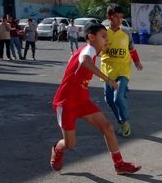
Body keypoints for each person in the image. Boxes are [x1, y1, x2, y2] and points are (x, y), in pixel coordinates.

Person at [50, 22, 141, 175]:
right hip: (66, 102)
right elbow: (84, 61)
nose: (107, 40)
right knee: (70, 144)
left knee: (108, 127)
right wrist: (108, 79)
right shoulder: (89, 49)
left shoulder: (85, 51)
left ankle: (119, 165)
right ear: (91, 37)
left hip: (82, 100)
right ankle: (57, 149)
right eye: (103, 36)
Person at [100, 5, 143, 138]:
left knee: (117, 97)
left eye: (121, 17)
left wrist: (136, 61)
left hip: (123, 70)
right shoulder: (103, 33)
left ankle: (125, 122)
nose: (119, 20)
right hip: (107, 72)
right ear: (109, 17)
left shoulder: (126, 33)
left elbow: (132, 49)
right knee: (109, 100)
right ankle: (122, 121)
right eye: (116, 17)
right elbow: (96, 49)